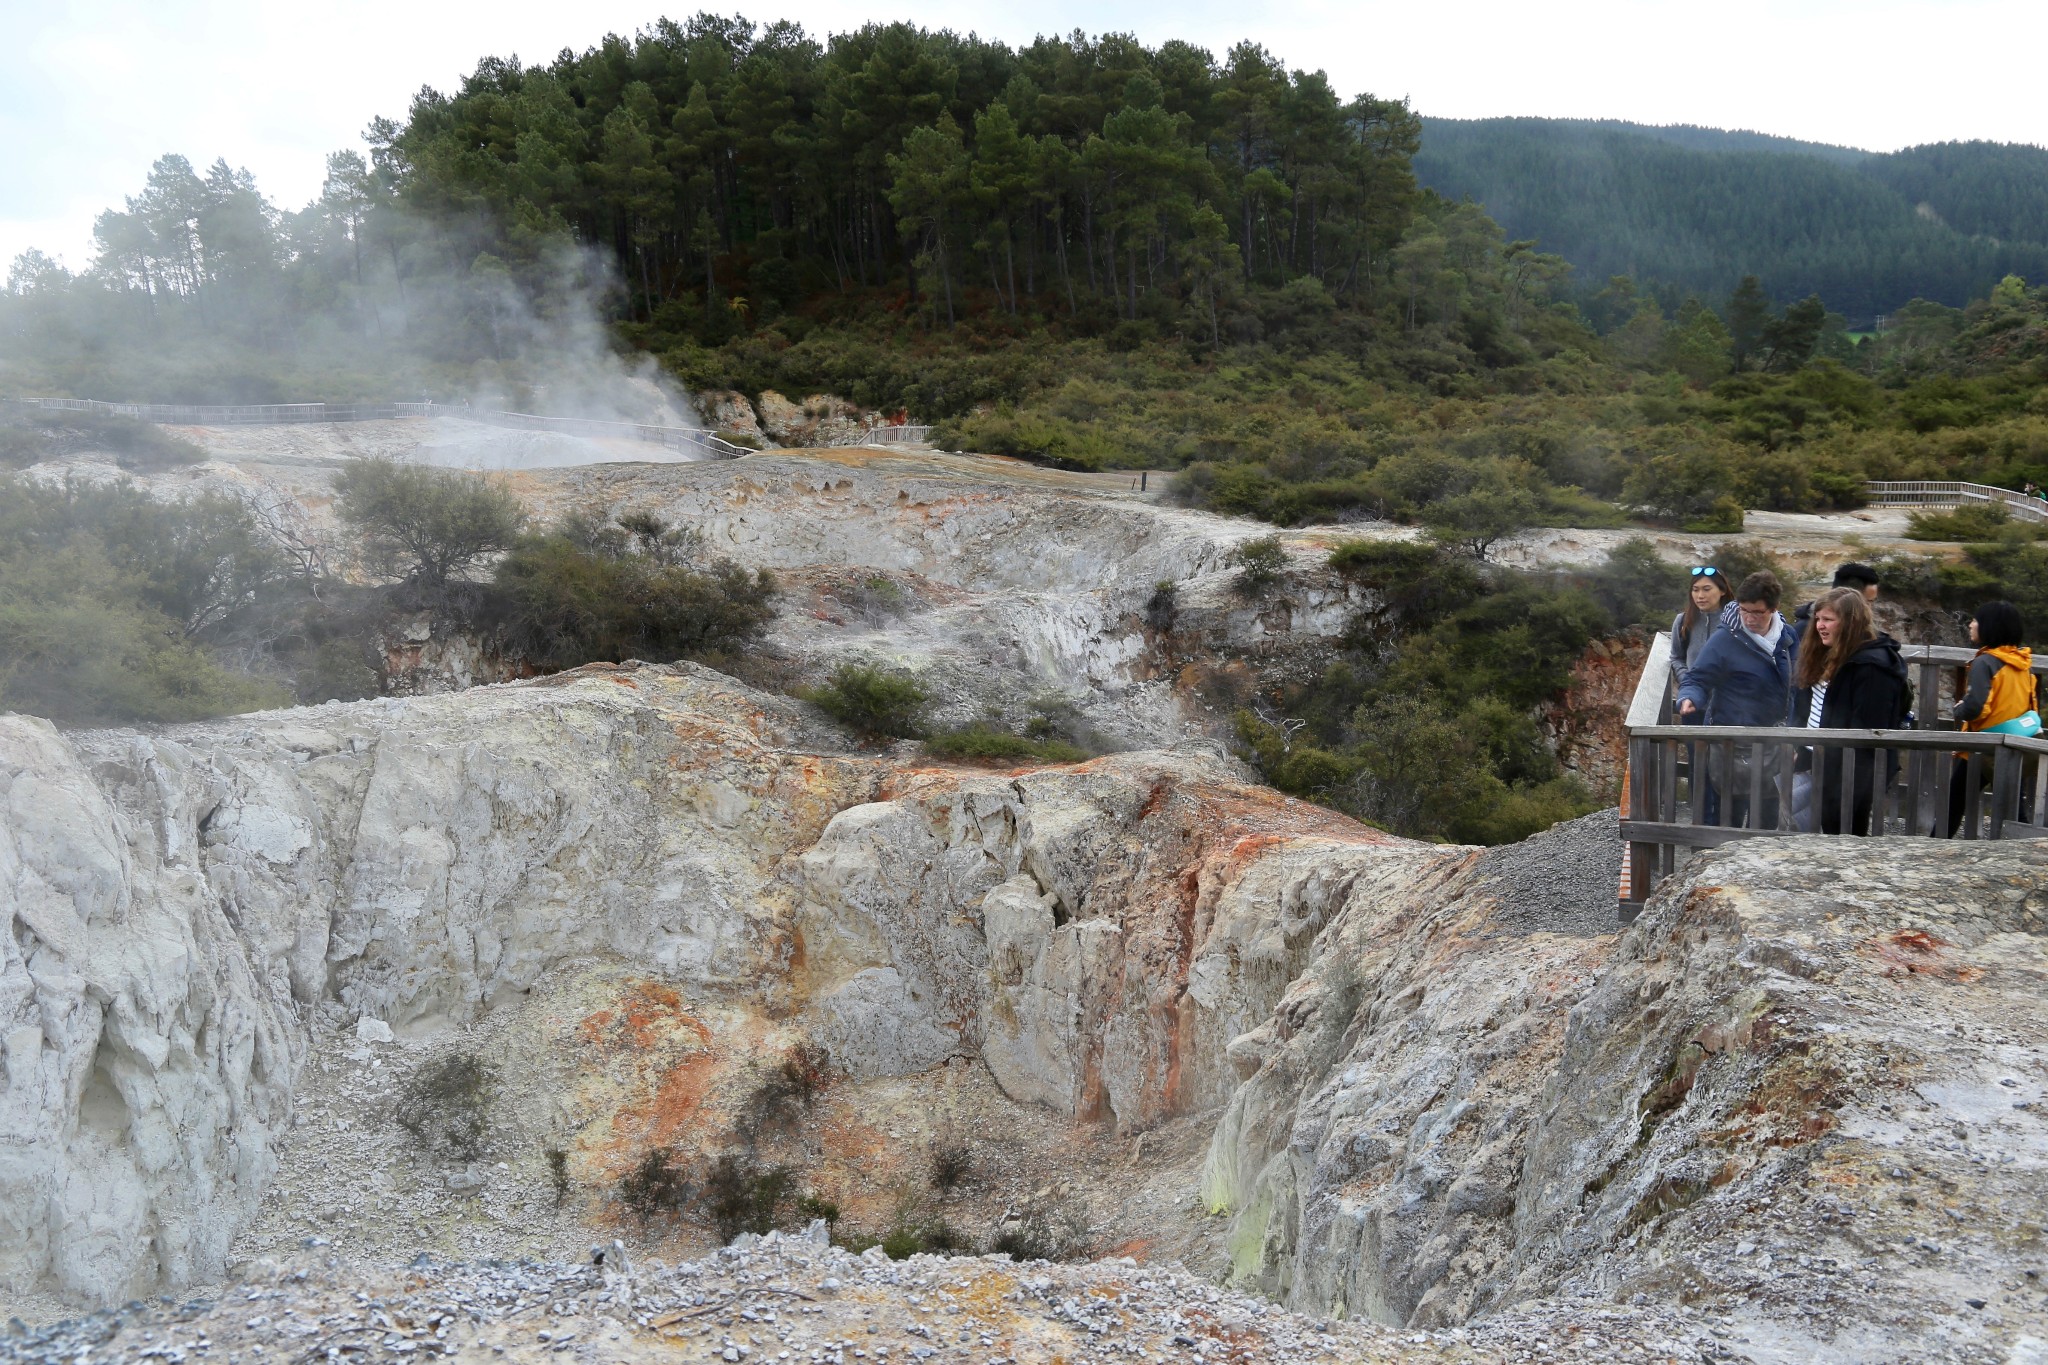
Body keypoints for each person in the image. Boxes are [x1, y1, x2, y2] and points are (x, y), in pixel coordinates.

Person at [1678, 571, 1797, 827]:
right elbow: (1697, 677)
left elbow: (1797, 685)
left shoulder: (1787, 637)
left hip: (1774, 742)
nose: (1749, 618)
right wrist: (1689, 697)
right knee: (1728, 817)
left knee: (1766, 816)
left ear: (1774, 609)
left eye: (1757, 612)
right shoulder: (1726, 639)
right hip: (1733, 745)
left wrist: (1798, 731)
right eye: (1744, 610)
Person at [1790, 588, 1911, 835]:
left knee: (1844, 836)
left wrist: (1847, 781)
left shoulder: (1872, 666)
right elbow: (1810, 706)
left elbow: (1868, 732)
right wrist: (1801, 747)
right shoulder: (1826, 652)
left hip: (1850, 771)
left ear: (1850, 623)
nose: (1820, 627)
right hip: (1819, 758)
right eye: (1818, 619)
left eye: (1828, 620)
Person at [1941, 600, 2038, 836]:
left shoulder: (1985, 662)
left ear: (1989, 626)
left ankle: (1931, 850)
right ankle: (2025, 850)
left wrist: (1959, 709)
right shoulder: (2023, 663)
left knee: (1953, 804)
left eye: (1976, 620)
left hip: (1981, 747)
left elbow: (1976, 707)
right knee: (2014, 806)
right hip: (2014, 745)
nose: (1971, 625)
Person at [1791, 562, 1879, 631]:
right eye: (1866, 603)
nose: (1870, 609)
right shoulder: (1806, 631)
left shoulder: (1862, 630)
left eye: (1872, 602)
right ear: (1845, 596)